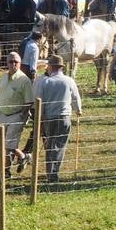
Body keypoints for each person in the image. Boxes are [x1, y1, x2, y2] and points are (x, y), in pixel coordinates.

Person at [33, 53, 81, 185]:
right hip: (64, 117)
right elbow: (76, 97)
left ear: (50, 67)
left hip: (48, 117)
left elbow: (38, 100)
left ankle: (50, 173)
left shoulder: (45, 81)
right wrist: (78, 110)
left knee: (49, 144)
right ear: (61, 67)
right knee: (60, 145)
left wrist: (40, 118)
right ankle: (54, 173)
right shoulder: (69, 80)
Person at [0, 52, 34, 173]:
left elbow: (29, 101)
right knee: (4, 144)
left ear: (20, 63)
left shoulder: (24, 80)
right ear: (6, 63)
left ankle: (5, 171)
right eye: (10, 62)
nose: (13, 64)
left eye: (16, 62)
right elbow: (0, 94)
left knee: (8, 146)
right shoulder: (3, 77)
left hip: (17, 115)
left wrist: (23, 114)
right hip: (2, 115)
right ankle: (24, 157)